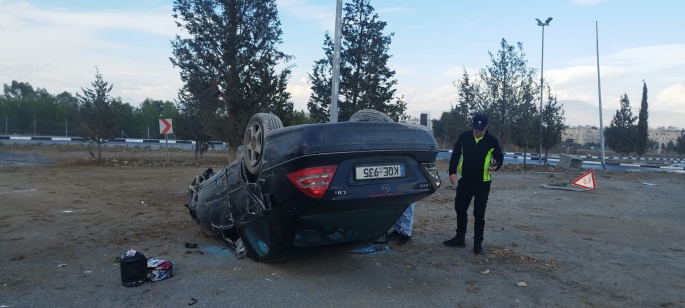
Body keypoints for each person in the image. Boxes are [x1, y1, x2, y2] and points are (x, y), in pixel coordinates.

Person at [443, 114, 503, 254]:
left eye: (480, 129)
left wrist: (496, 165)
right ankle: (460, 238)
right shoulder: (464, 137)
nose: (477, 132)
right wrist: (452, 172)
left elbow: (499, 157)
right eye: (475, 128)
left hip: (483, 183)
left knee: (479, 212)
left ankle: (477, 243)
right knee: (460, 208)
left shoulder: (491, 141)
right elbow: (456, 155)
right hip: (466, 181)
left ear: (486, 127)